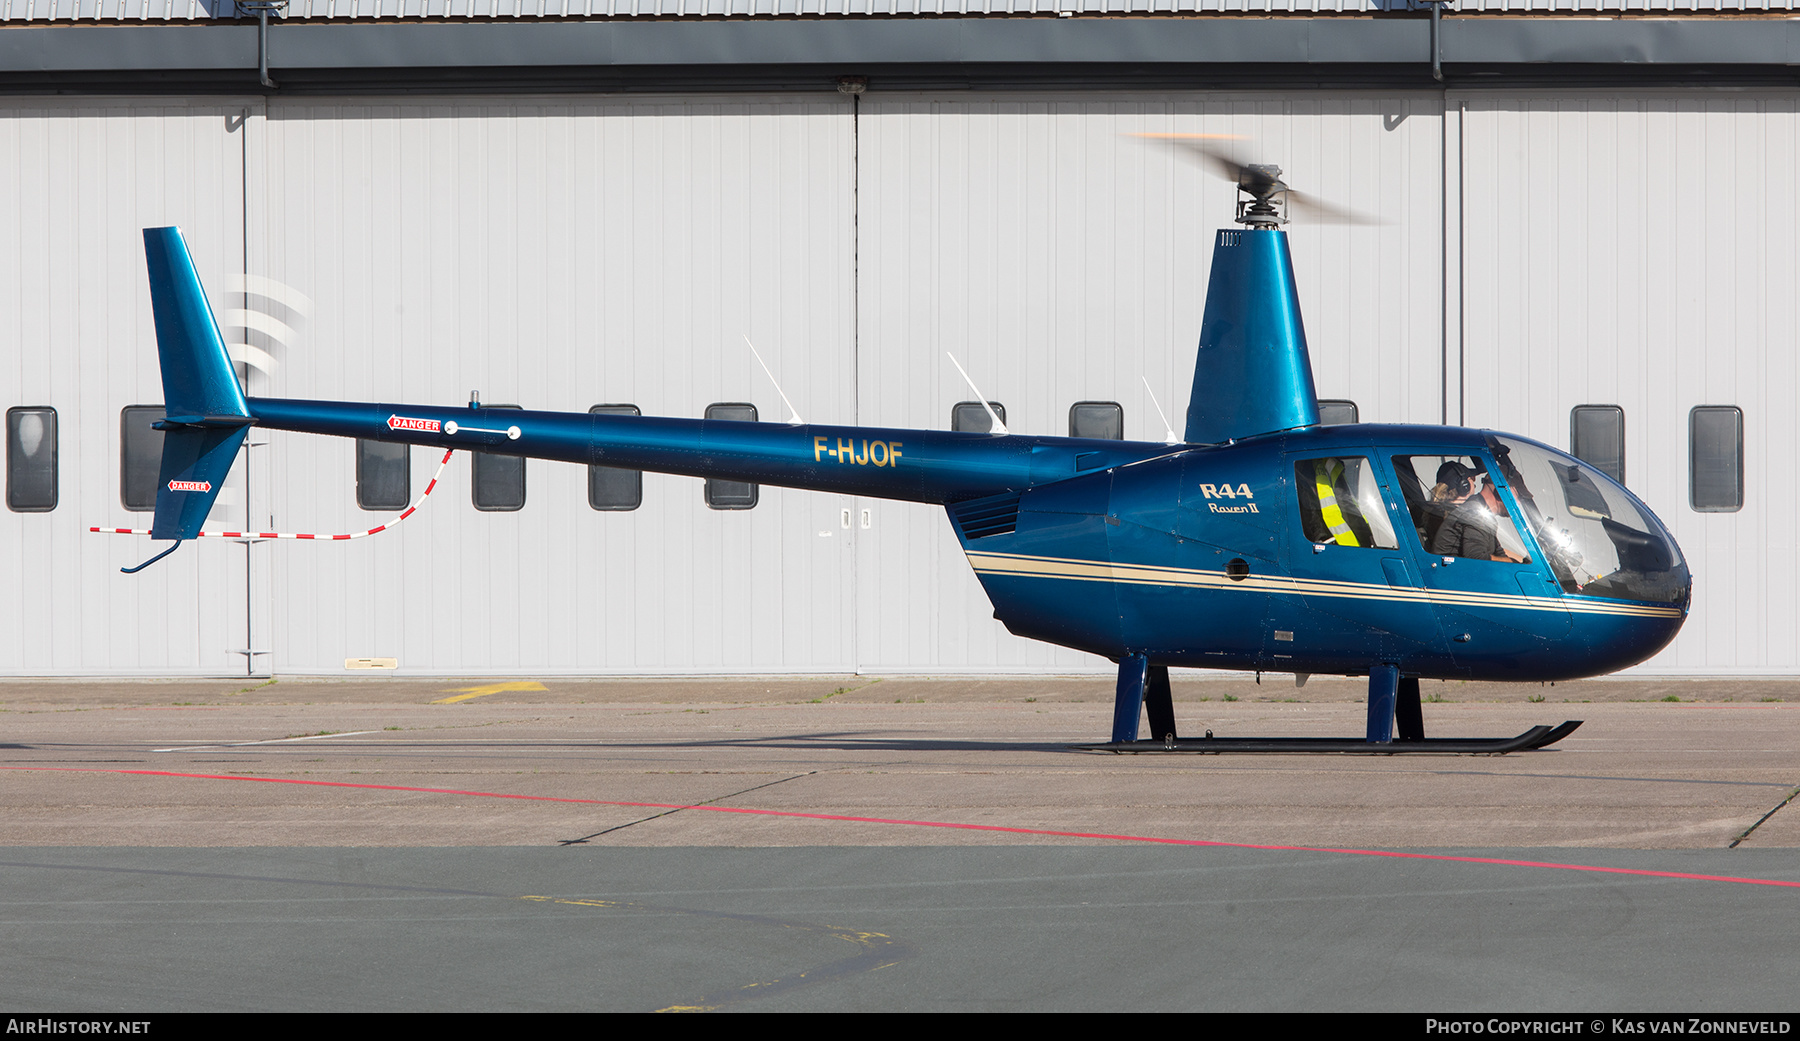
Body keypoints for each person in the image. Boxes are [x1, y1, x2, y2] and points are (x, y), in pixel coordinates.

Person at [1428, 465, 1529, 564]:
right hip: (1452, 577)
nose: (1519, 502)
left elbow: (1499, 554)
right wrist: (1513, 561)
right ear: (1501, 492)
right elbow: (1476, 557)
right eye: (1518, 496)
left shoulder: (1483, 513)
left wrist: (1520, 564)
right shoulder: (1475, 513)